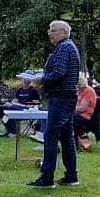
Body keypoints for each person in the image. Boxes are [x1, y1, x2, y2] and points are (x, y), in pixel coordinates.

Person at [27, 20, 81, 188]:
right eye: (50, 30)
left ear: (64, 32)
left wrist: (41, 80)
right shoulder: (70, 47)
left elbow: (58, 73)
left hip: (60, 98)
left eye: (53, 30)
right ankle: (71, 176)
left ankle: (47, 177)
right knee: (67, 137)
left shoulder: (64, 48)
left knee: (50, 137)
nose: (50, 33)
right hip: (68, 97)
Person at [73, 73, 100, 152]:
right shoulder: (81, 91)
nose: (77, 89)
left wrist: (71, 108)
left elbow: (82, 108)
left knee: (68, 120)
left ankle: (74, 144)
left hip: (85, 116)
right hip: (79, 114)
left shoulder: (88, 91)